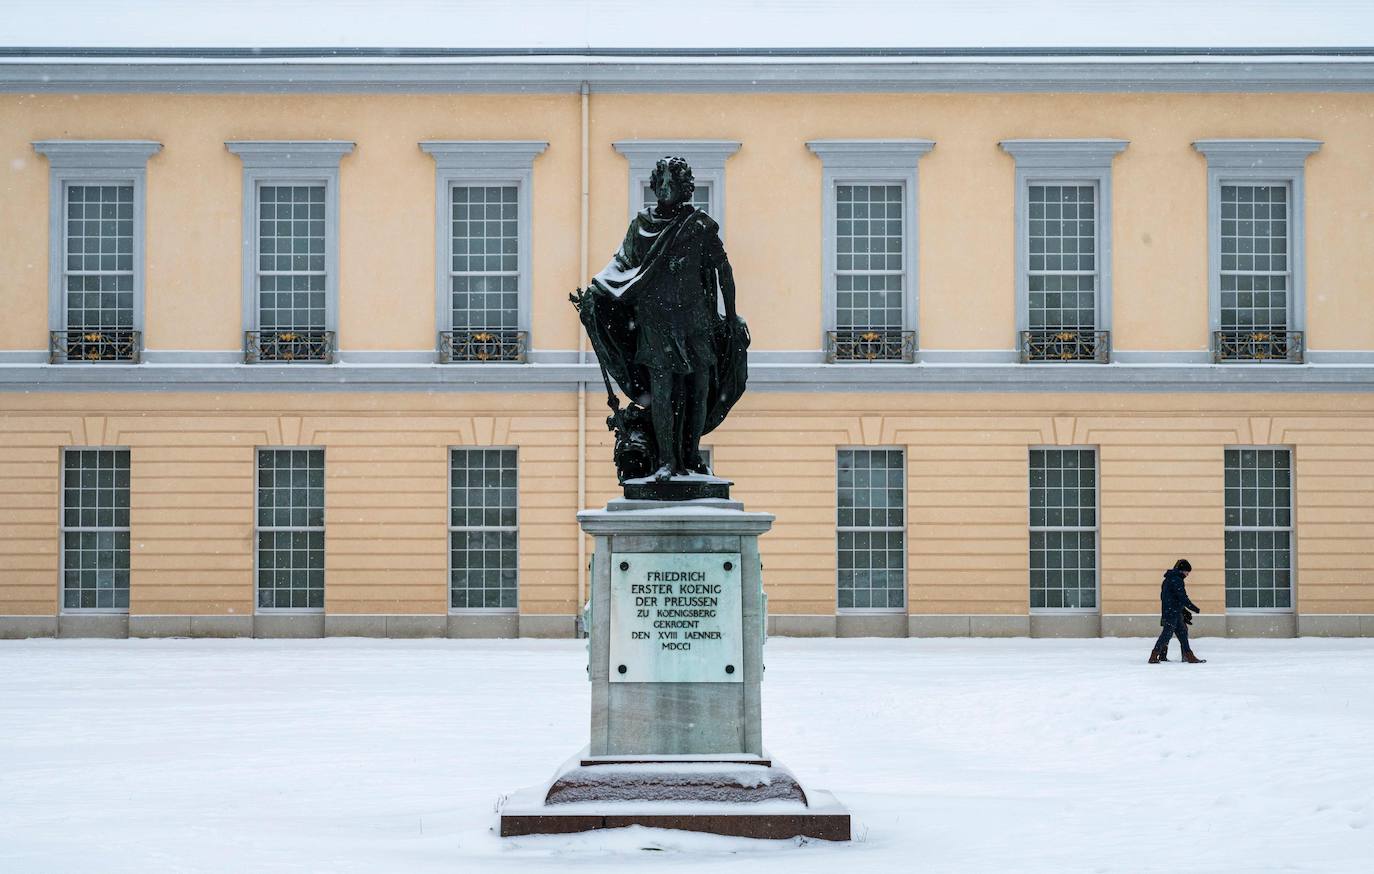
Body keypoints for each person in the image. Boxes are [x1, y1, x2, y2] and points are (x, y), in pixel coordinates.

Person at [570, 155, 748, 483]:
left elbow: (724, 272)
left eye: (673, 183)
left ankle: (692, 457)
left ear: (685, 188)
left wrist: (733, 316)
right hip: (656, 322)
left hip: (695, 321)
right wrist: (595, 297)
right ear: (654, 186)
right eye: (661, 182)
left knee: (697, 389)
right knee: (663, 391)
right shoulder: (640, 226)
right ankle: (667, 461)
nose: (666, 189)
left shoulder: (700, 226)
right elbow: (619, 265)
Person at [1149, 559, 1206, 664]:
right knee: (1166, 634)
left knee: (1183, 632)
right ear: (1182, 570)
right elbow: (1182, 597)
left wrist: (1183, 610)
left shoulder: (1168, 579)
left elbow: (1171, 597)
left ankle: (1188, 656)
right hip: (1172, 612)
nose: (1188, 574)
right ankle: (1154, 656)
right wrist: (1194, 608)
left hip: (1173, 611)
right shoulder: (1176, 580)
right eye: (1187, 572)